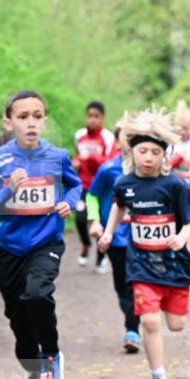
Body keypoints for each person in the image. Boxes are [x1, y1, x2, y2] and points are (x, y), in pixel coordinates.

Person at [0, 90, 82, 379]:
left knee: (37, 293)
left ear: (45, 120)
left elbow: (75, 185)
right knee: (17, 317)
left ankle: (51, 354)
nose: (31, 123)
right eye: (23, 117)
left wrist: (69, 202)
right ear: (8, 122)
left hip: (45, 242)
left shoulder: (56, 156)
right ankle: (34, 373)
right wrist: (9, 188)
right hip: (10, 247)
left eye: (37, 116)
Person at [97, 108, 190, 379]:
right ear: (132, 151)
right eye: (143, 151)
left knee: (176, 325)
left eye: (155, 152)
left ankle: (168, 303)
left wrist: (180, 237)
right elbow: (118, 205)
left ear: (164, 155)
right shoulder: (124, 183)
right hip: (141, 263)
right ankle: (158, 378)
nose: (149, 158)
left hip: (173, 264)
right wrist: (108, 231)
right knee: (150, 322)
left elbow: (189, 219)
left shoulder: (175, 185)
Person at [86, 128, 141, 353]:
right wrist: (95, 220)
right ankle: (132, 317)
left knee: (136, 284)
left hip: (140, 237)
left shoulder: (148, 170)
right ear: (118, 142)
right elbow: (92, 195)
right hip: (116, 236)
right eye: (125, 138)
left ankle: (132, 330)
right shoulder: (108, 169)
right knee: (122, 285)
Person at [72, 101, 116, 272]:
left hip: (101, 188)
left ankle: (101, 256)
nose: (92, 120)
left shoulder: (108, 137)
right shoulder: (80, 135)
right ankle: (85, 244)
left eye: (96, 116)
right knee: (80, 219)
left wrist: (91, 157)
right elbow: (77, 156)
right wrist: (76, 162)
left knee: (101, 222)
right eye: (89, 116)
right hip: (83, 185)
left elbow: (111, 162)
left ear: (102, 118)